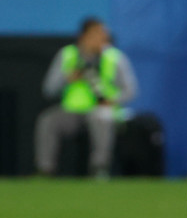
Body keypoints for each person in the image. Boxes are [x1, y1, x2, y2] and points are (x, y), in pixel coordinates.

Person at [35, 18, 137, 177]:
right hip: (72, 112)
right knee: (48, 120)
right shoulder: (67, 55)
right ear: (83, 36)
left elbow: (131, 91)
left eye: (103, 34)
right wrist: (67, 78)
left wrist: (112, 100)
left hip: (103, 111)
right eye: (96, 34)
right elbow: (48, 90)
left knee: (100, 117)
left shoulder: (115, 58)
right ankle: (45, 170)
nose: (102, 38)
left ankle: (99, 168)